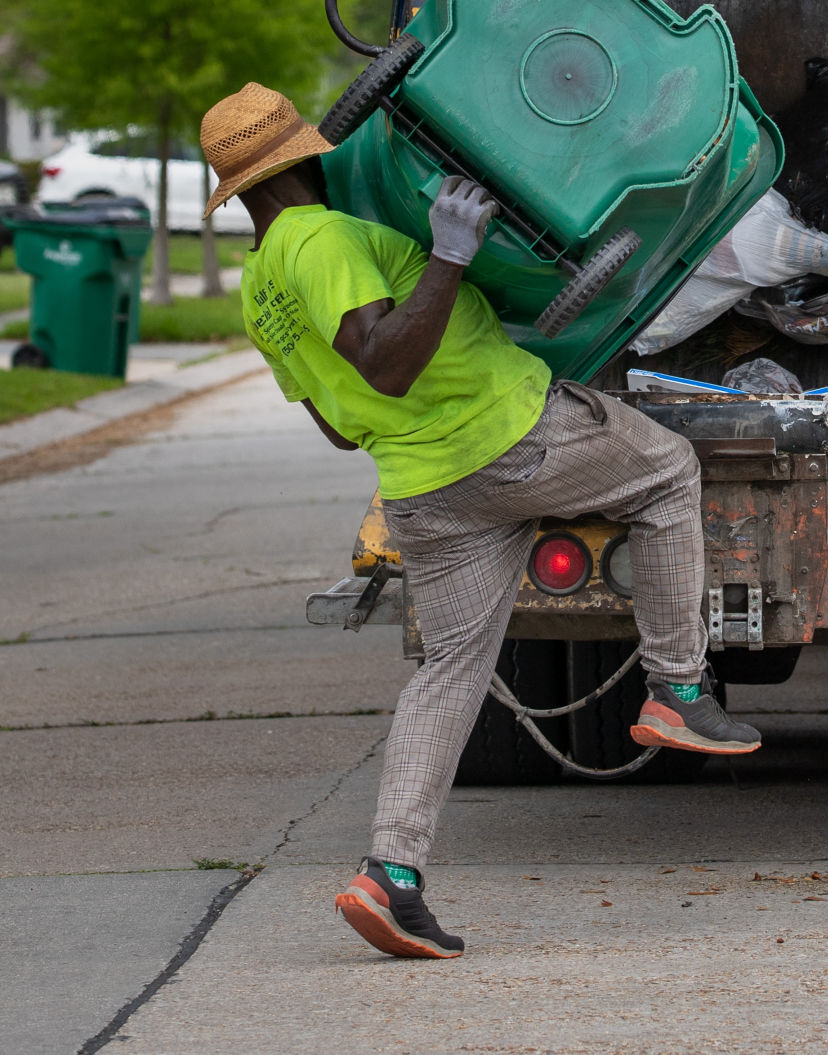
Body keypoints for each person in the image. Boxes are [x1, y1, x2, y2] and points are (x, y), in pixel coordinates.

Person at [199, 82, 761, 960]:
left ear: (237, 193)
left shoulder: (258, 286)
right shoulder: (325, 239)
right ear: (308, 155)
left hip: (424, 488)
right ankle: (677, 688)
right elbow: (383, 364)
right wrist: (451, 256)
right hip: (507, 437)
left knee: (450, 670)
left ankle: (392, 873)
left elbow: (339, 422)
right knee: (666, 472)